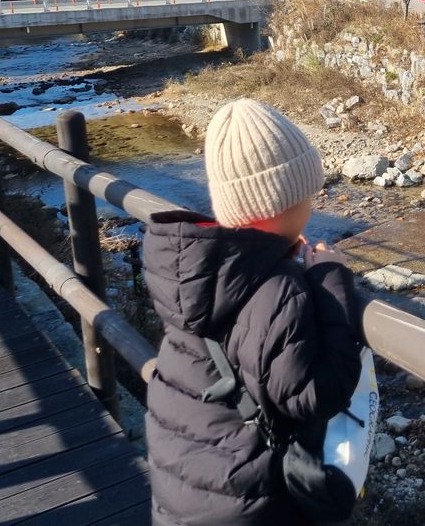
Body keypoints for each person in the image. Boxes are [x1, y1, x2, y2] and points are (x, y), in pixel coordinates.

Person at [143, 99, 363, 526]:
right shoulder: (274, 288)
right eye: (308, 193)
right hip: (246, 502)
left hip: (185, 489)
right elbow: (314, 394)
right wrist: (331, 279)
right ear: (285, 202)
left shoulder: (195, 266)